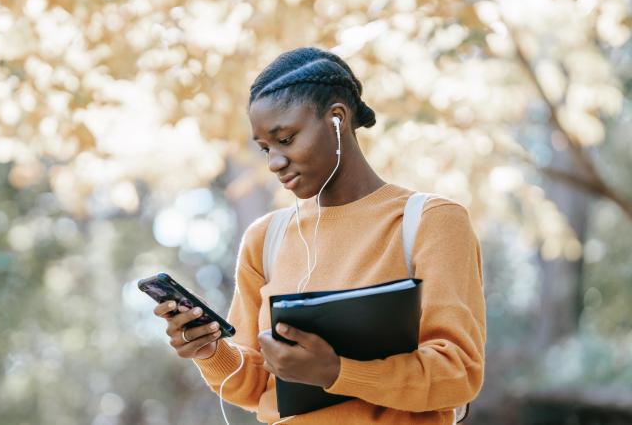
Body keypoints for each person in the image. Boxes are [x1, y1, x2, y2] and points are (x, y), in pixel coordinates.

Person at [152, 47, 486, 425]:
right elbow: (252, 386)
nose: (274, 162)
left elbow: (458, 373)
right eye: (265, 148)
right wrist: (210, 351)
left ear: (337, 119)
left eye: (286, 139)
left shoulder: (430, 222)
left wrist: (336, 371)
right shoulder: (265, 238)